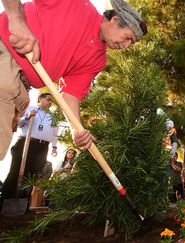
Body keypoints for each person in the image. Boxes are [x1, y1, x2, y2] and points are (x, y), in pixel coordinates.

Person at [0, 0, 148, 159]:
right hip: (4, 52)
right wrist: (17, 21)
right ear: (115, 20)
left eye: (130, 43)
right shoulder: (75, 3)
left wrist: (77, 130)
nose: (125, 46)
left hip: (20, 90)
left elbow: (71, 94)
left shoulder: (98, 60)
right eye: (127, 37)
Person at [1, 92, 58, 208]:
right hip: (25, 143)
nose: (50, 102)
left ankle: (23, 202)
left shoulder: (53, 116)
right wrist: (27, 117)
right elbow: (18, 123)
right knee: (16, 171)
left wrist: (54, 146)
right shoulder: (30, 108)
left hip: (42, 147)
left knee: (33, 175)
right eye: (48, 99)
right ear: (40, 99)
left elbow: (54, 132)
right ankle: (5, 201)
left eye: (51, 100)